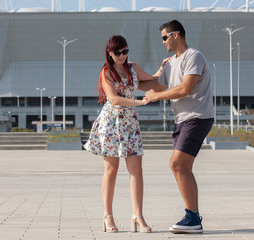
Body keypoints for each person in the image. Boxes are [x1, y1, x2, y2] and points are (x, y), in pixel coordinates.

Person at [84, 35, 160, 233]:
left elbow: (151, 79)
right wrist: (139, 102)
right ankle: (108, 216)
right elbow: (114, 99)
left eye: (125, 51)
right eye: (117, 52)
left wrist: (162, 68)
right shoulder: (106, 72)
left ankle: (138, 216)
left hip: (130, 123)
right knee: (111, 170)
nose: (122, 55)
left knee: (137, 170)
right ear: (109, 53)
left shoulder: (132, 68)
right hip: (111, 123)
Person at [144, 20, 214, 234]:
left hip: (197, 116)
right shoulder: (172, 62)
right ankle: (193, 217)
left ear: (175, 35)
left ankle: (192, 217)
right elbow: (155, 84)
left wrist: (156, 97)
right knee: (182, 167)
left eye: (164, 37)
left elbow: (185, 88)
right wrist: (124, 76)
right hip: (182, 119)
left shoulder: (193, 56)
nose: (162, 42)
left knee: (177, 164)